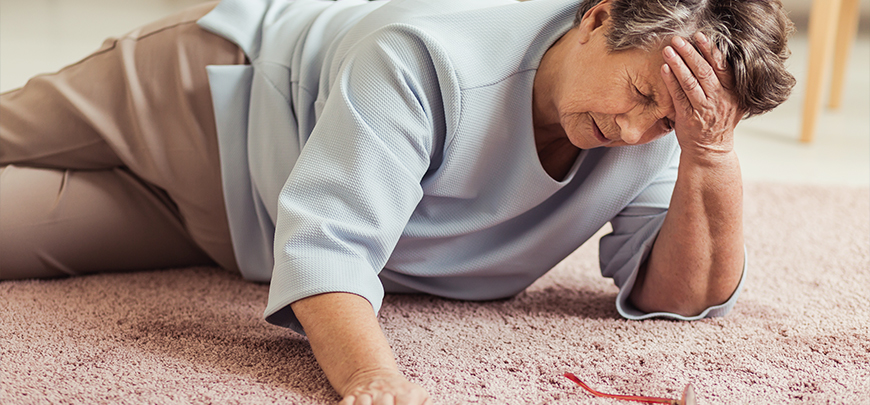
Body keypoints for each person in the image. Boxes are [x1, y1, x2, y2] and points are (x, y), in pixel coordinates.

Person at [0, 0, 795, 403]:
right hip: (204, 100)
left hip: (235, 226)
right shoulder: (426, 58)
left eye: (669, 119)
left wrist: (708, 152)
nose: (631, 128)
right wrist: (374, 382)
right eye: (638, 92)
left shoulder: (659, 137)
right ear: (598, 17)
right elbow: (331, 251)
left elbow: (681, 296)